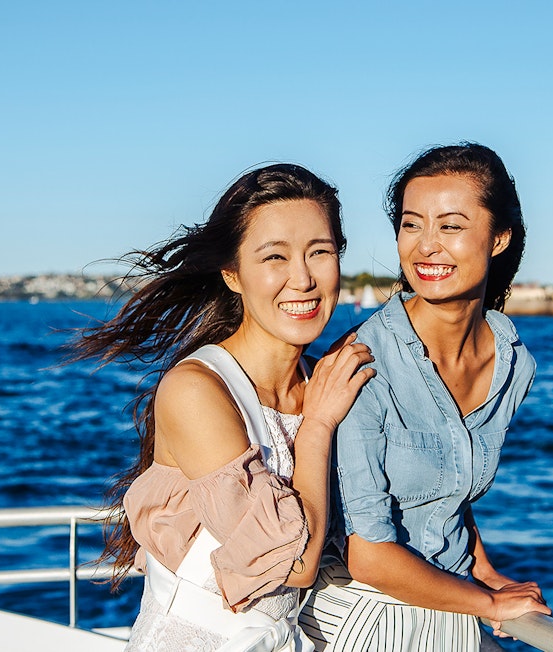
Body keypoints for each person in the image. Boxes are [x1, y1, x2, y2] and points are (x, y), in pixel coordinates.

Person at [72, 163, 375, 651]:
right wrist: (317, 424)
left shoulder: (324, 382)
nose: (302, 278)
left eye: (320, 252)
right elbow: (292, 566)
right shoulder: (196, 390)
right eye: (275, 257)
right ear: (233, 274)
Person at [299, 143, 550, 650]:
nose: (426, 246)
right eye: (412, 225)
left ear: (498, 238)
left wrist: (487, 572)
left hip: (452, 609)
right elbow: (368, 553)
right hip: (363, 617)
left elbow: (447, 491)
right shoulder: (362, 362)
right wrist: (489, 603)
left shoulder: (512, 362)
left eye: (451, 226)